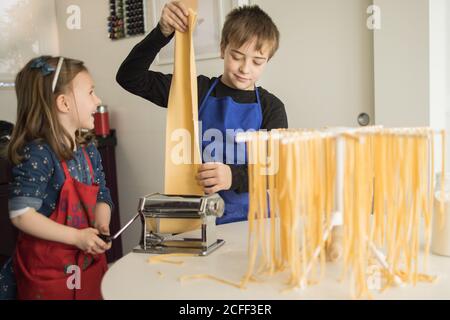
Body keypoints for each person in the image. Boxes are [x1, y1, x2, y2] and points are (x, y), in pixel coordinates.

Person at [116, 2, 287, 224]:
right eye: (237, 56)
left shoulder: (271, 107)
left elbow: (275, 170)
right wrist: (161, 33)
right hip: (201, 222)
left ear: (267, 61)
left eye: (257, 61)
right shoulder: (194, 92)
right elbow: (129, 77)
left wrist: (232, 177)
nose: (246, 68)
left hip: (254, 221)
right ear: (222, 49)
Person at [0, 56, 113, 300]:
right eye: (91, 92)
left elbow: (102, 193)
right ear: (63, 103)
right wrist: (77, 237)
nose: (98, 100)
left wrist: (101, 225)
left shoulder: (89, 149)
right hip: (46, 273)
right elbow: (21, 215)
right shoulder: (38, 153)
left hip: (84, 262)